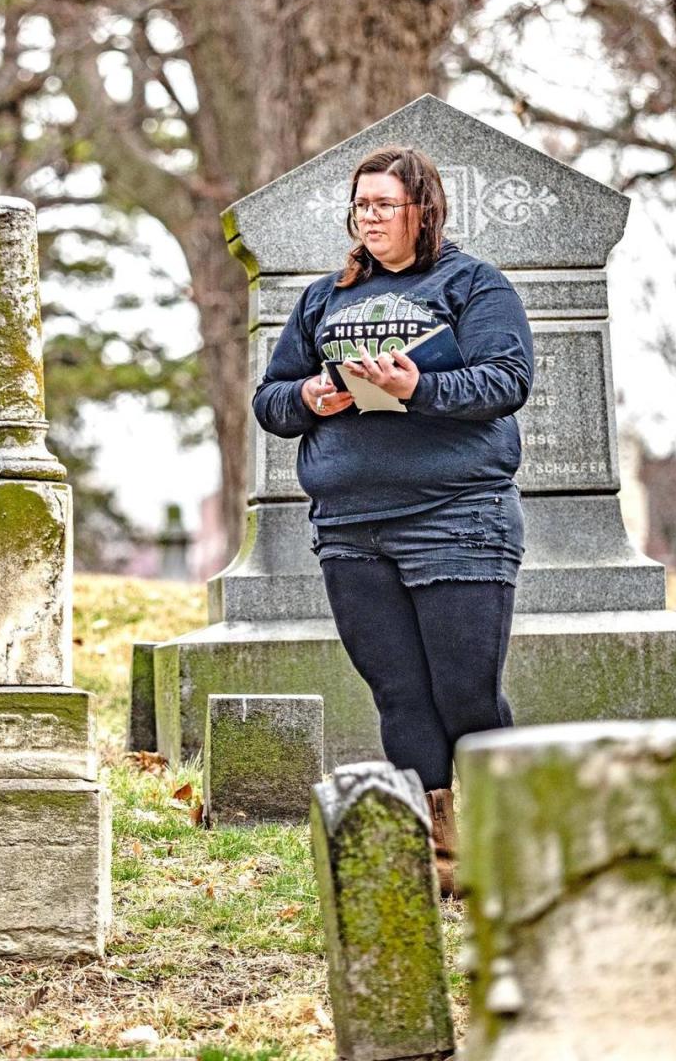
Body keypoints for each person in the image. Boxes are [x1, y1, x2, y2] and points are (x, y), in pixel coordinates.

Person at [252, 145, 533, 896]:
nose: (367, 217)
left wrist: (417, 386)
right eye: (360, 205)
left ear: (422, 210)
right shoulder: (324, 297)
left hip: (457, 518)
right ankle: (441, 859)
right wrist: (310, 398)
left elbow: (506, 380)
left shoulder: (474, 285)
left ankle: (505, 851)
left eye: (383, 204)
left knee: (466, 692)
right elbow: (270, 399)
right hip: (350, 526)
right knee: (399, 694)